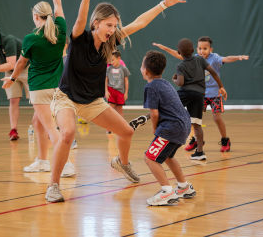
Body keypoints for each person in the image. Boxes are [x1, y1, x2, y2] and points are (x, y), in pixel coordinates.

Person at [46, 0, 186, 202]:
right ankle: (53, 185)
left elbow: (139, 23)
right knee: (68, 133)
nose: (112, 30)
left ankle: (122, 162)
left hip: (92, 101)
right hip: (67, 98)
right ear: (97, 23)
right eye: (108, 25)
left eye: (114, 26)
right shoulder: (79, 38)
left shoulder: (111, 43)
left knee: (126, 132)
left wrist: (163, 5)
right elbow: (81, 18)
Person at [2, 0, 75, 177]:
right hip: (58, 86)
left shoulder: (30, 38)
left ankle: (67, 164)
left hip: (39, 87)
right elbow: (58, 3)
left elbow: (20, 63)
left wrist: (12, 79)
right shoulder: (60, 28)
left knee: (51, 128)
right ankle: (43, 161)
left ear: (35, 16)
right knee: (38, 122)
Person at [153, 36, 248, 152]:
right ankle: (197, 140)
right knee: (193, 119)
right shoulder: (196, 58)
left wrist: (238, 57)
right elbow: (179, 55)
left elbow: (227, 59)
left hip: (214, 94)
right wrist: (165, 48)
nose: (202, 51)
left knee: (217, 119)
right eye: (199, 48)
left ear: (210, 50)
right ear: (195, 49)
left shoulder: (215, 58)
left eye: (205, 48)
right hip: (200, 94)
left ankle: (225, 140)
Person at [141, 50, 196, 206]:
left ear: (145, 70)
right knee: (168, 157)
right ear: (163, 70)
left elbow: (154, 112)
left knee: (150, 158)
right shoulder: (165, 83)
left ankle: (167, 191)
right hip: (183, 125)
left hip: (171, 127)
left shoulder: (150, 87)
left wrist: (154, 128)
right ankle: (184, 187)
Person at [0, 22, 29, 141]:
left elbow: (11, 64)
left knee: (37, 101)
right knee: (13, 100)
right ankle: (13, 130)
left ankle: (50, 129)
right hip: (10, 73)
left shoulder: (8, 40)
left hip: (26, 69)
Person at [105, 50, 131, 134]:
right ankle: (109, 127)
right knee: (111, 109)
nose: (111, 62)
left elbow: (126, 81)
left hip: (120, 91)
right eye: (110, 60)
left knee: (120, 110)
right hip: (111, 90)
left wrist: (126, 92)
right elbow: (106, 80)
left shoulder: (123, 68)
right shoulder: (108, 68)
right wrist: (106, 91)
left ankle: (121, 126)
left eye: (112, 60)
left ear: (119, 58)